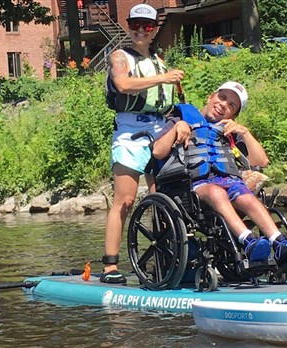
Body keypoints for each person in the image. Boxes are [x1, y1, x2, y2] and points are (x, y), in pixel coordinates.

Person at [152, 81, 287, 266]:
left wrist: (245, 133)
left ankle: (279, 243)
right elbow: (158, 152)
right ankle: (248, 241)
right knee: (216, 192)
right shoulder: (179, 121)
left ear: (233, 115)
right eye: (222, 97)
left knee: (247, 197)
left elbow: (261, 162)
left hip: (228, 182)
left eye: (231, 105)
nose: (224, 105)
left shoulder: (229, 132)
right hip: (192, 187)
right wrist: (176, 127)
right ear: (210, 96)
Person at [100, 3, 188, 284]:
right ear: (128, 26)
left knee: (161, 198)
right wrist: (164, 77)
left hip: (159, 129)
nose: (140, 30)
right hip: (130, 132)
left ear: (153, 29)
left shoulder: (158, 60)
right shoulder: (120, 57)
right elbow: (123, 85)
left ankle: (165, 260)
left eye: (146, 26)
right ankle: (110, 267)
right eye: (135, 25)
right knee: (125, 201)